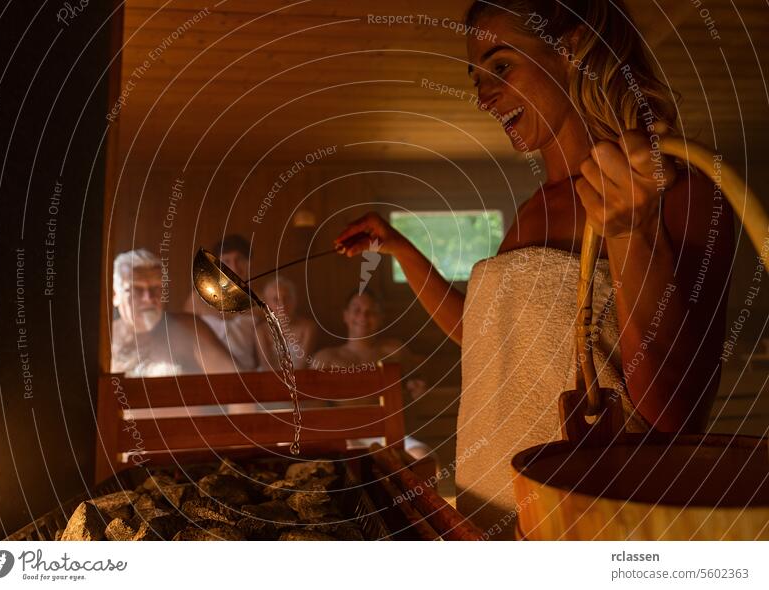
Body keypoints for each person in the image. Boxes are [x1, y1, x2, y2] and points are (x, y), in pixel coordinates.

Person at [334, 0, 734, 538]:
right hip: (487, 512)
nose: (483, 95)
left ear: (569, 49)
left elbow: (673, 415)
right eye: (476, 78)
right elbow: (491, 342)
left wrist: (629, 234)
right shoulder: (531, 213)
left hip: (585, 523)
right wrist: (401, 249)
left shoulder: (678, 191)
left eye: (501, 66)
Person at [312, 289, 431, 460]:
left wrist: (417, 388)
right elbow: (313, 408)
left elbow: (416, 380)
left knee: (424, 456)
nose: (363, 316)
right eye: (357, 310)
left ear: (381, 318)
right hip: (344, 435)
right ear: (345, 316)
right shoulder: (326, 358)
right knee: (354, 459)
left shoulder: (394, 351)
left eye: (371, 312)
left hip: (386, 434)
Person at [112, 249, 235, 376]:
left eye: (156, 288)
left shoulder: (189, 330)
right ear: (115, 295)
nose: (148, 298)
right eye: (136, 289)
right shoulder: (107, 341)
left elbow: (235, 382)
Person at [184, 234, 259, 371]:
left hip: (247, 375)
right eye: (227, 261)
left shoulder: (260, 301)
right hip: (207, 374)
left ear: (249, 263)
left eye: (239, 259)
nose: (234, 267)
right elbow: (185, 339)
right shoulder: (197, 299)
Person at [255, 275, 317, 371]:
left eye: (287, 298)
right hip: (270, 376)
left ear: (295, 300)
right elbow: (266, 365)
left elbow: (303, 363)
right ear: (267, 304)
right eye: (275, 300)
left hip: (299, 377)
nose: (282, 304)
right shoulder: (261, 330)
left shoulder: (308, 327)